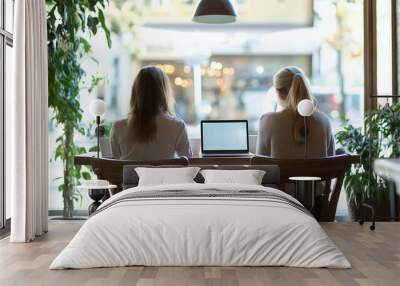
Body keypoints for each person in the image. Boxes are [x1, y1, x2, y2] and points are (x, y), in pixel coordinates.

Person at [111, 66, 192, 160]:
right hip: (164, 175)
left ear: (135, 92)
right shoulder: (177, 126)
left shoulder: (118, 127)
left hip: (129, 175)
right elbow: (187, 159)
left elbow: (115, 164)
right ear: (164, 92)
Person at [256, 66, 335, 158]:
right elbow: (331, 163)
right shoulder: (324, 121)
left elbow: (261, 166)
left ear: (279, 93)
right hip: (317, 173)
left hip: (282, 173)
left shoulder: (268, 121)